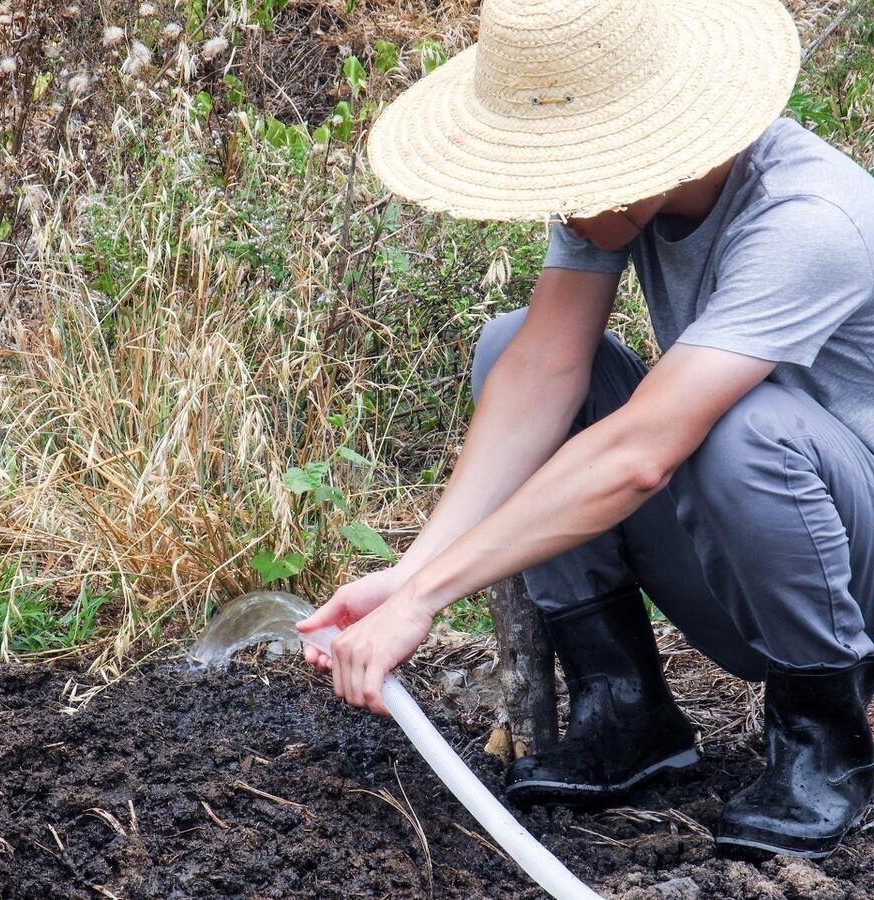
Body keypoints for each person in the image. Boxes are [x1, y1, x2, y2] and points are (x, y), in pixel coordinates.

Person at [297, 0, 874, 859]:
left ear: (652, 145)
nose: (557, 201)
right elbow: (542, 376)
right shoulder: (617, 199)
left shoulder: (809, 217)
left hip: (848, 583)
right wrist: (411, 573)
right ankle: (626, 705)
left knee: (738, 426)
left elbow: (642, 453)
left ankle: (828, 742)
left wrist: (429, 600)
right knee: (509, 346)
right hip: (756, 548)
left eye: (573, 172)